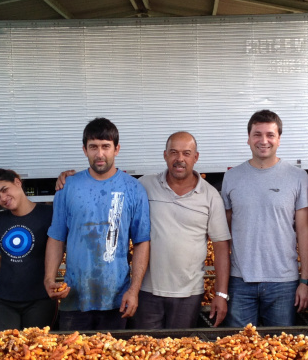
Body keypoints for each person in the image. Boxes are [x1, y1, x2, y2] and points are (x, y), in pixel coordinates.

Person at [56, 131, 231, 329]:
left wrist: (220, 293)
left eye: (186, 153)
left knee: (178, 352)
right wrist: (69, 178)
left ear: (196, 157)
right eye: (173, 152)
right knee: (145, 353)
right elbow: (109, 182)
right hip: (146, 293)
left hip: (188, 293)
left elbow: (221, 247)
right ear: (165, 155)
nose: (179, 159)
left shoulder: (210, 196)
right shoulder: (144, 185)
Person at [44, 117, 151, 331]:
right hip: (74, 298)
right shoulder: (67, 187)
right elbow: (56, 237)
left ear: (117, 149)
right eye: (93, 147)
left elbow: (141, 242)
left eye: (105, 146)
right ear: (84, 150)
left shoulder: (133, 189)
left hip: (117, 299)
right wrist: (49, 278)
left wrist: (134, 289)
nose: (99, 154)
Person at [220, 110, 308, 327]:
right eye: (257, 134)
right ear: (248, 138)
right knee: (238, 351)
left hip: (284, 283)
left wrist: (305, 280)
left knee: (280, 353)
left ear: (279, 139)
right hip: (240, 281)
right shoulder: (231, 177)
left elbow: (304, 232)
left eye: (270, 135)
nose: (264, 141)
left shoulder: (298, 177)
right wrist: (222, 288)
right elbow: (224, 232)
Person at [0, 168, 55, 331]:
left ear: (18, 182)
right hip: (5, 301)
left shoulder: (48, 215)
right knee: (1, 349)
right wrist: (14, 265)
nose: (3, 198)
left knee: (35, 352)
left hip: (40, 300)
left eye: (5, 190)